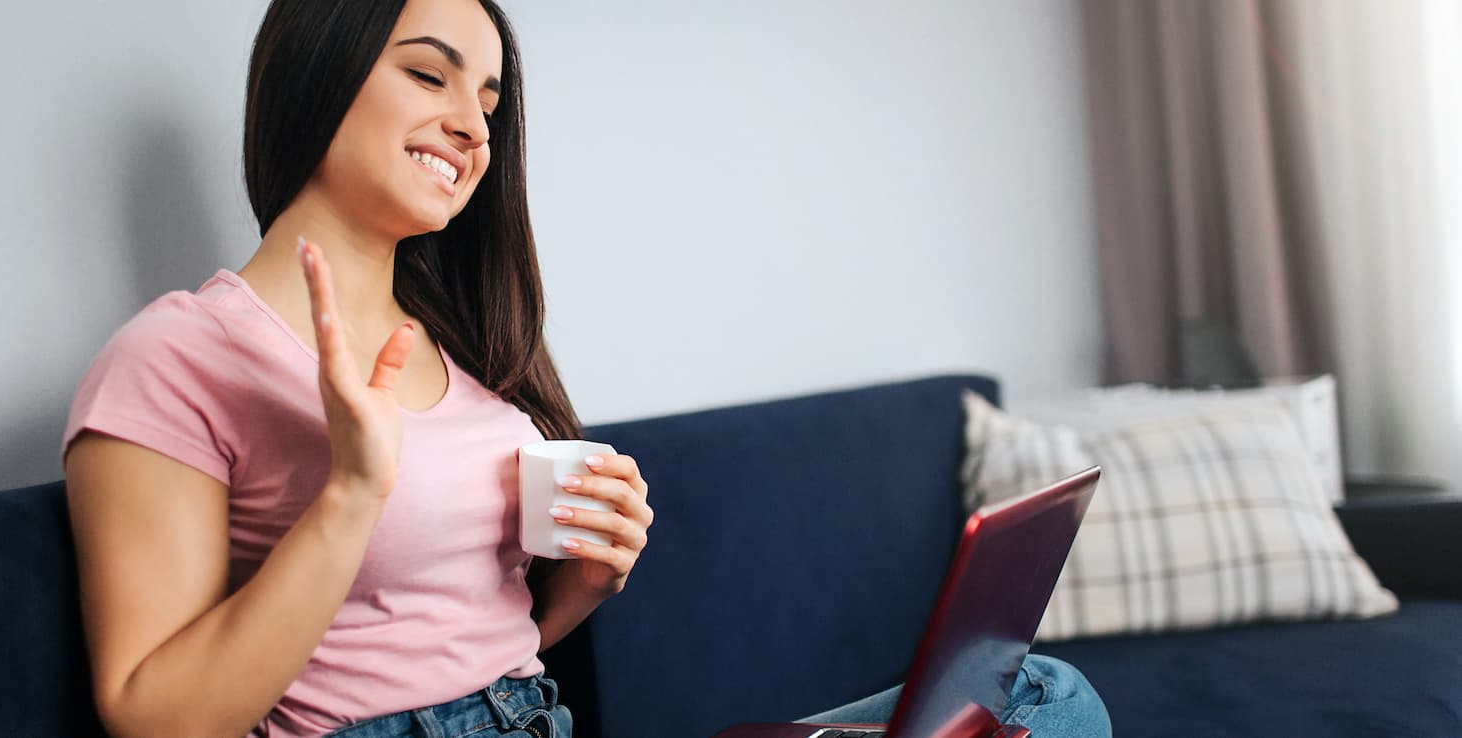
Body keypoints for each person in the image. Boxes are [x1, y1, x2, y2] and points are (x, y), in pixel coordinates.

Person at [60, 0, 1110, 736]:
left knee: (1036, 701)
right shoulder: (178, 355)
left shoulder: (465, 344)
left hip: (533, 718)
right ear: (318, 72)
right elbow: (156, 717)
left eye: (489, 98)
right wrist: (350, 494)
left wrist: (586, 585)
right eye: (428, 73)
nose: (471, 123)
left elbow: (476, 639)